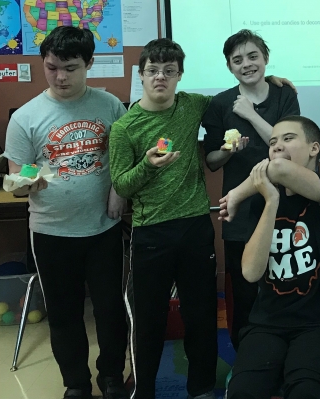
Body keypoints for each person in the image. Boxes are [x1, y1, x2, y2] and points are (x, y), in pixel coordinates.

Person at [5, 26, 129, 399]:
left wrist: (117, 190)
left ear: (90, 64)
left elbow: (123, 161)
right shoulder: (25, 118)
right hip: (51, 232)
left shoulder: (110, 106)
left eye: (70, 68)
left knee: (109, 310)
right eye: (52, 67)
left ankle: (111, 376)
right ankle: (75, 383)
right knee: (64, 313)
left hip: (104, 228)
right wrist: (28, 181)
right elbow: (17, 174)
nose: (60, 77)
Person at [110, 39, 217, 399]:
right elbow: (121, 185)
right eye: (153, 71)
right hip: (151, 233)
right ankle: (145, 391)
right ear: (141, 75)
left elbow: (235, 96)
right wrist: (147, 166)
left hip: (195, 226)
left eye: (169, 71)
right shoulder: (125, 128)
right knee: (148, 321)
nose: (161, 77)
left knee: (201, 316)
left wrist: (275, 77)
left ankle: (201, 388)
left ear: (179, 76)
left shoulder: (193, 105)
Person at [219, 117, 320, 399]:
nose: (277, 146)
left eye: (288, 138)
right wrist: (270, 203)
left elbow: (278, 168)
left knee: (304, 390)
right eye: (272, 142)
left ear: (315, 148)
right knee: (242, 392)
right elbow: (251, 273)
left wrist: (235, 194)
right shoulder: (262, 199)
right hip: (267, 324)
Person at [202, 30, 300, 351]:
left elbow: (287, 147)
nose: (247, 64)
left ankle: (284, 348)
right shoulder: (219, 103)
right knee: (244, 289)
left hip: (283, 205)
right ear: (230, 66)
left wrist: (250, 114)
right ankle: (246, 352)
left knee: (285, 282)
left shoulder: (284, 95)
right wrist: (228, 151)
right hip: (240, 211)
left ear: (265, 58)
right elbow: (213, 161)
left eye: (253, 56)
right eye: (238, 60)